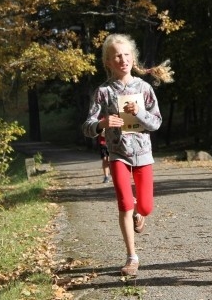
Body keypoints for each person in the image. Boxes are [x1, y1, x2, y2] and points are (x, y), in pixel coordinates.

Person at [82, 33, 174, 276]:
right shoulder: (102, 92)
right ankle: (132, 257)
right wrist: (102, 124)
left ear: (132, 58)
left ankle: (139, 212)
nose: (122, 60)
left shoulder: (144, 88)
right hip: (117, 154)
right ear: (108, 62)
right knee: (124, 204)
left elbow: (155, 123)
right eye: (116, 57)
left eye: (125, 55)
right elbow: (87, 125)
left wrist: (140, 113)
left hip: (143, 154)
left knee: (145, 205)